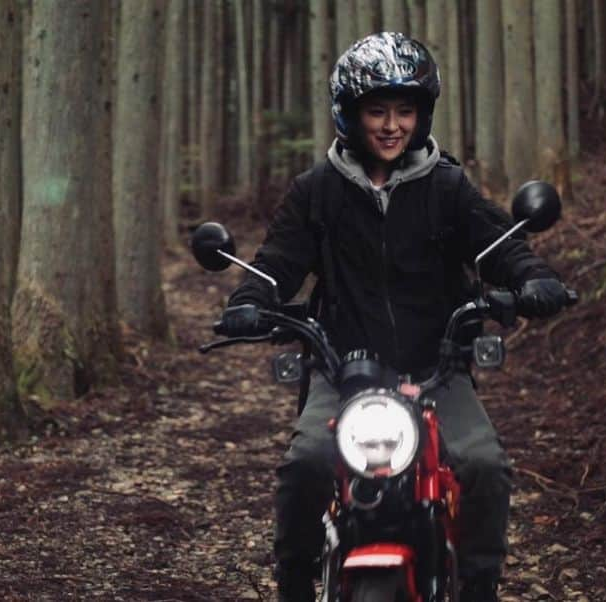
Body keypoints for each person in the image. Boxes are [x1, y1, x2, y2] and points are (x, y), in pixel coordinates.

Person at [218, 33, 570, 602]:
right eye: (377, 110)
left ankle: (479, 585)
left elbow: (498, 245)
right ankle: (292, 584)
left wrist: (533, 279)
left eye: (404, 110)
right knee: (305, 464)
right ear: (350, 114)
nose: (390, 125)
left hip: (438, 367)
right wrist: (248, 302)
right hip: (343, 370)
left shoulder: (447, 186)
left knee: (483, 466)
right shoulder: (318, 191)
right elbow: (277, 262)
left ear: (422, 114)